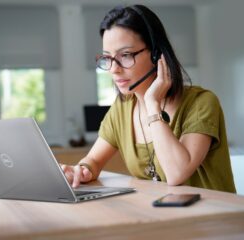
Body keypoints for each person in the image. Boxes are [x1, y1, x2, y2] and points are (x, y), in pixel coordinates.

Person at [61, 4, 236, 193]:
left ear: (155, 53)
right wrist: (82, 169)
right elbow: (94, 160)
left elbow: (176, 173)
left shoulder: (202, 103)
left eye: (125, 55)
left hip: (215, 218)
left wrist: (152, 104)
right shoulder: (122, 108)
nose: (114, 69)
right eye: (108, 58)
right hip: (162, 217)